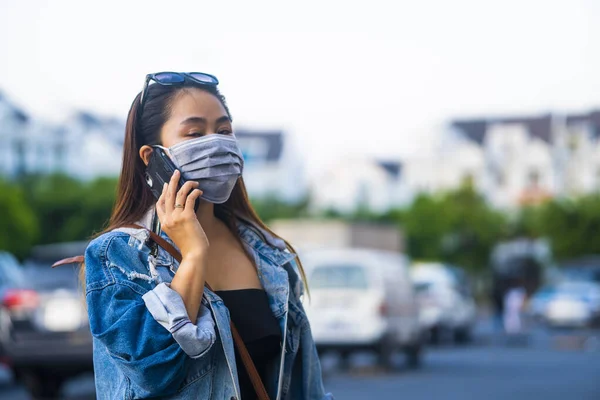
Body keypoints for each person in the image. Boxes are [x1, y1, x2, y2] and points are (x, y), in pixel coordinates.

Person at [82, 72, 333, 399]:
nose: (216, 143)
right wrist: (194, 256)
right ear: (152, 157)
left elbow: (306, 388)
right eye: (195, 132)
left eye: (224, 130)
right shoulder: (116, 255)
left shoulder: (270, 255)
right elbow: (152, 373)